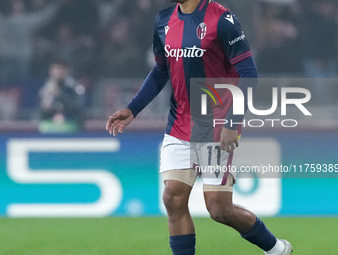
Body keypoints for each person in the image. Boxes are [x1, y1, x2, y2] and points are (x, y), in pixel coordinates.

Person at [106, 0, 293, 254]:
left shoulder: (222, 19)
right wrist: (133, 108)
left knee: (219, 209)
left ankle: (276, 248)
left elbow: (249, 74)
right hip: (179, 123)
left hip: (217, 123)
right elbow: (161, 70)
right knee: (173, 197)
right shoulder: (163, 20)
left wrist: (232, 121)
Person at [39, 58, 85, 133]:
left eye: (60, 69)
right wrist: (46, 105)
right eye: (55, 69)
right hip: (50, 127)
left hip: (71, 125)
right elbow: (39, 114)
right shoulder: (46, 89)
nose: (57, 72)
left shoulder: (74, 88)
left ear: (67, 71)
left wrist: (60, 95)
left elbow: (79, 109)